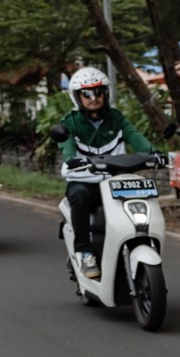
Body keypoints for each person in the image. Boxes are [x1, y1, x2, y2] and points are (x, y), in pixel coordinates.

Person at [54, 66, 152, 279]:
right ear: (77, 97)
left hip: (116, 181)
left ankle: (139, 243)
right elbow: (67, 146)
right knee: (79, 196)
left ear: (106, 93)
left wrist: (153, 153)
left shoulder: (116, 118)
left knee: (142, 198)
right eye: (87, 94)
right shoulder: (70, 122)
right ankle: (85, 252)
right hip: (85, 181)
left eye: (98, 92)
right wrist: (71, 159)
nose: (94, 98)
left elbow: (135, 136)